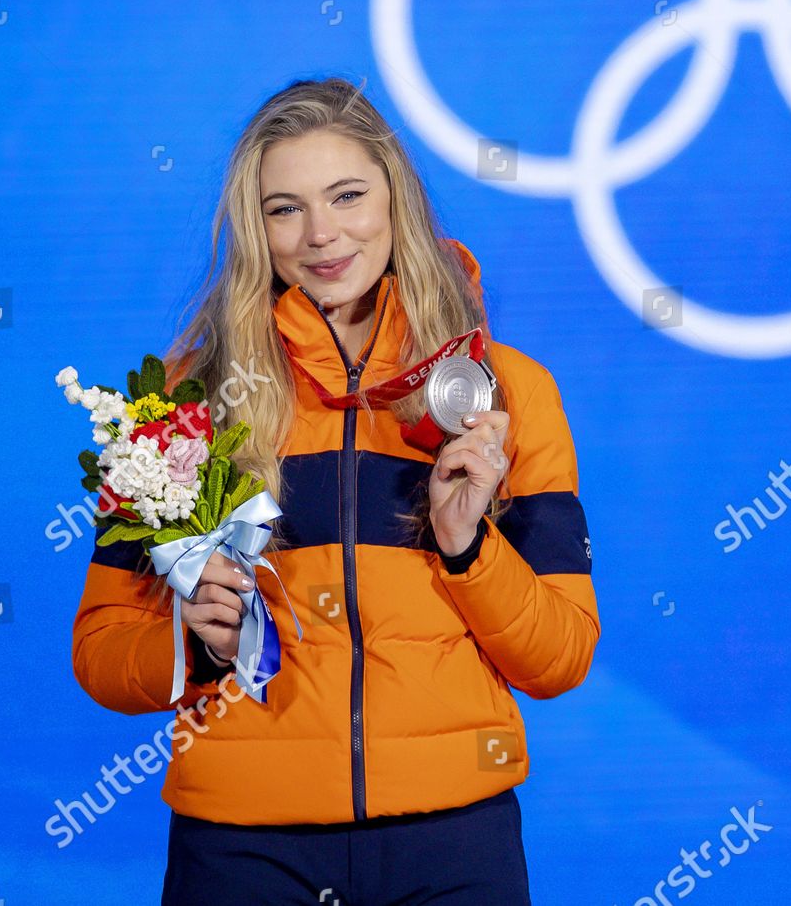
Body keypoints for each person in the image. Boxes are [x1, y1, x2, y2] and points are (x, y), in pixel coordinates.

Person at [71, 75, 600, 906]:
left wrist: (467, 548)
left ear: (396, 198)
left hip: (454, 844)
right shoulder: (186, 402)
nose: (321, 235)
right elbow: (102, 654)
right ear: (256, 228)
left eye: (346, 195)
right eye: (284, 209)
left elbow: (558, 658)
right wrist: (195, 644)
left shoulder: (508, 394)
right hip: (242, 854)